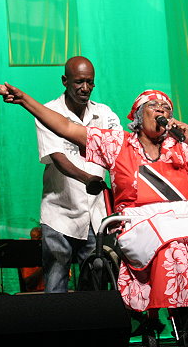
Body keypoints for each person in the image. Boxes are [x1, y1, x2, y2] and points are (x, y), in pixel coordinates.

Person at [0, 83, 188, 337]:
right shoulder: (117, 143)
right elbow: (66, 127)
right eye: (154, 106)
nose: (162, 111)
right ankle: (186, 317)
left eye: (167, 108)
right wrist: (24, 100)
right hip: (138, 222)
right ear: (139, 116)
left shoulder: (179, 147)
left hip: (184, 217)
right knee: (173, 242)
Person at [36, 56, 122, 294]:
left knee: (95, 285)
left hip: (95, 216)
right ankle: (57, 320)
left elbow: (118, 151)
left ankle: (91, 320)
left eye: (90, 82)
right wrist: (88, 179)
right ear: (65, 81)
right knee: (56, 284)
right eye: (79, 82)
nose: (85, 88)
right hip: (59, 214)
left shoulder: (104, 114)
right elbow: (58, 158)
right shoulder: (49, 112)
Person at [19, 226, 45, 292]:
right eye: (38, 238)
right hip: (36, 293)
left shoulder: (51, 252)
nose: (41, 240)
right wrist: (44, 265)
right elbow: (29, 284)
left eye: (43, 238)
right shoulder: (28, 257)